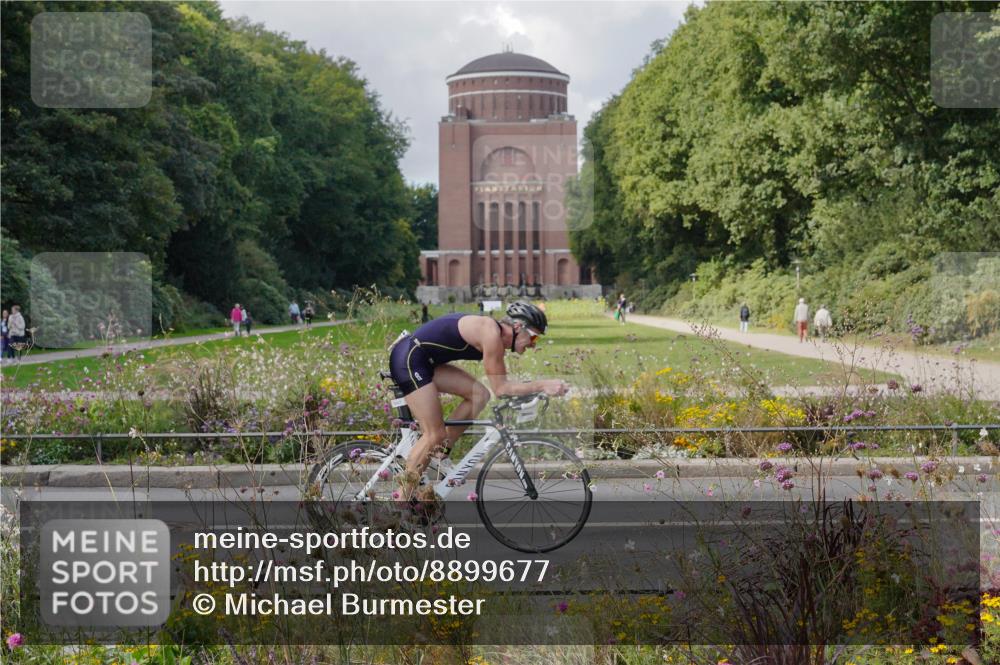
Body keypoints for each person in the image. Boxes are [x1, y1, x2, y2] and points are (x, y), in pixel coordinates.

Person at [388, 301, 567, 502]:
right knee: (433, 434)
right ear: (517, 327)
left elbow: (500, 388)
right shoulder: (490, 334)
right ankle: (400, 505)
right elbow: (501, 388)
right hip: (410, 358)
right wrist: (543, 385)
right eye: (533, 336)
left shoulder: (494, 335)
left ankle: (439, 453)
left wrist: (534, 390)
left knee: (479, 395)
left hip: (425, 361)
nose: (534, 344)